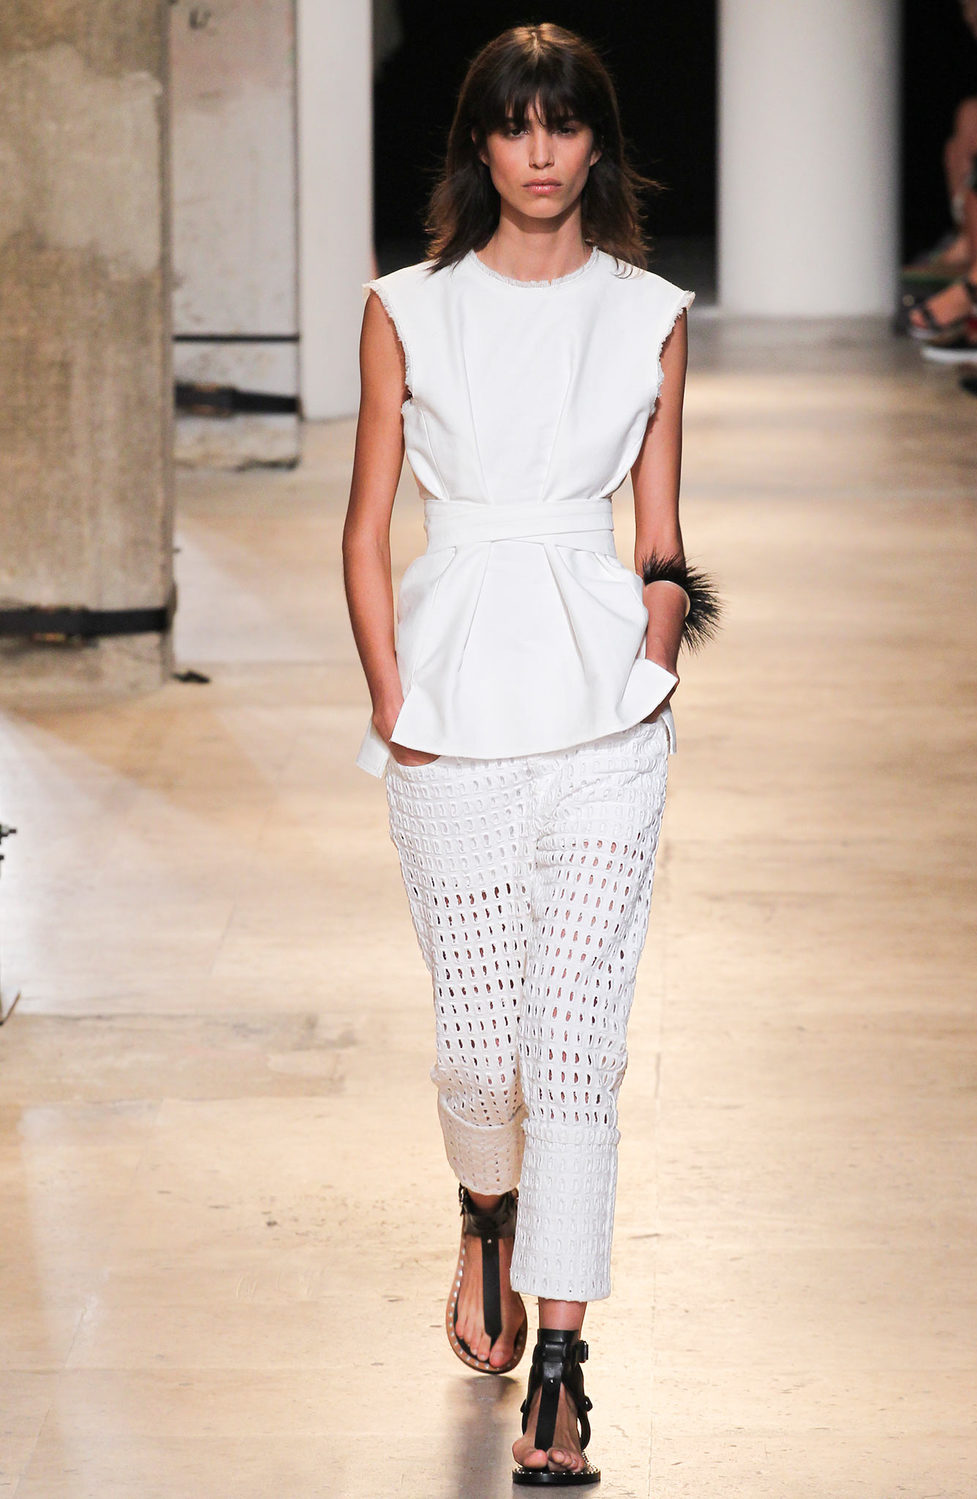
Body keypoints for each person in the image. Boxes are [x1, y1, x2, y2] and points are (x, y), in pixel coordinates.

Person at [342, 22, 718, 1487]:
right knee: (476, 1048)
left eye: (566, 124)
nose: (542, 151)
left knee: (574, 1047)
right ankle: (486, 1211)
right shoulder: (408, 310)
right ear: (481, 145)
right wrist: (394, 699)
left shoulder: (649, 314)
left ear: (596, 142)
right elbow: (367, 525)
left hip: (604, 712)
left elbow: (660, 526)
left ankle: (561, 1365)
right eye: (517, 124)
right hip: (451, 704)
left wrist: (654, 653)